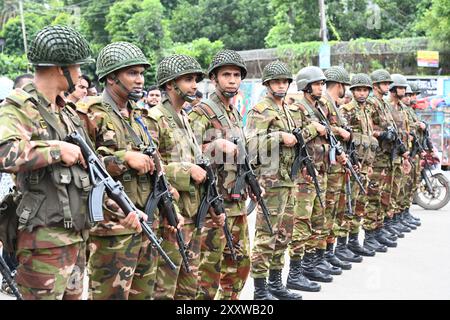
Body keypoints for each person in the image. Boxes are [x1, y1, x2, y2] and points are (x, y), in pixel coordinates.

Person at [0, 25, 97, 300]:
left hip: (76, 233)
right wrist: (55, 150)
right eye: (76, 67)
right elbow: (5, 152)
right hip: (43, 238)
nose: (79, 74)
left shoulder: (65, 111)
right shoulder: (19, 106)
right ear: (60, 68)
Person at [78, 41, 175, 300]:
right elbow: (81, 165)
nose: (140, 80)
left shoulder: (139, 115)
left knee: (144, 294)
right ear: (111, 78)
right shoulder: (91, 113)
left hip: (146, 220)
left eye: (142, 73)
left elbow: (155, 160)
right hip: (113, 227)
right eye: (132, 73)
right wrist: (123, 158)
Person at [246, 60, 314, 300]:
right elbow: (251, 146)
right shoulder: (261, 110)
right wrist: (278, 136)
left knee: (284, 234)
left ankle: (276, 283)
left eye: (284, 81)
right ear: (267, 84)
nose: (281, 85)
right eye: (276, 82)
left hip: (288, 180)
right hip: (270, 181)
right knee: (266, 237)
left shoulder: (286, 108)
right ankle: (260, 290)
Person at [189, 50, 251, 300]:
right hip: (213, 204)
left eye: (236, 75)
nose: (232, 80)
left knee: (240, 264)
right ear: (214, 78)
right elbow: (186, 154)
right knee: (209, 269)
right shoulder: (201, 112)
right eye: (226, 74)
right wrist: (214, 147)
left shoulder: (234, 113)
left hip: (236, 201)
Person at [148, 54, 208, 300]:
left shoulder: (185, 117)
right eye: (188, 79)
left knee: (189, 281)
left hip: (192, 210)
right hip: (170, 214)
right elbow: (150, 166)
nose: (194, 85)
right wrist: (186, 171)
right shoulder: (154, 118)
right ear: (170, 84)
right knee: (165, 283)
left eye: (195, 80)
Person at [320, 66, 355, 270]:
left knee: (335, 211)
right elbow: (319, 125)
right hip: (329, 166)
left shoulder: (332, 103)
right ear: (340, 85)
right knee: (327, 211)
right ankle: (321, 255)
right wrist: (339, 129)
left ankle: (328, 251)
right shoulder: (325, 102)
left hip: (337, 164)